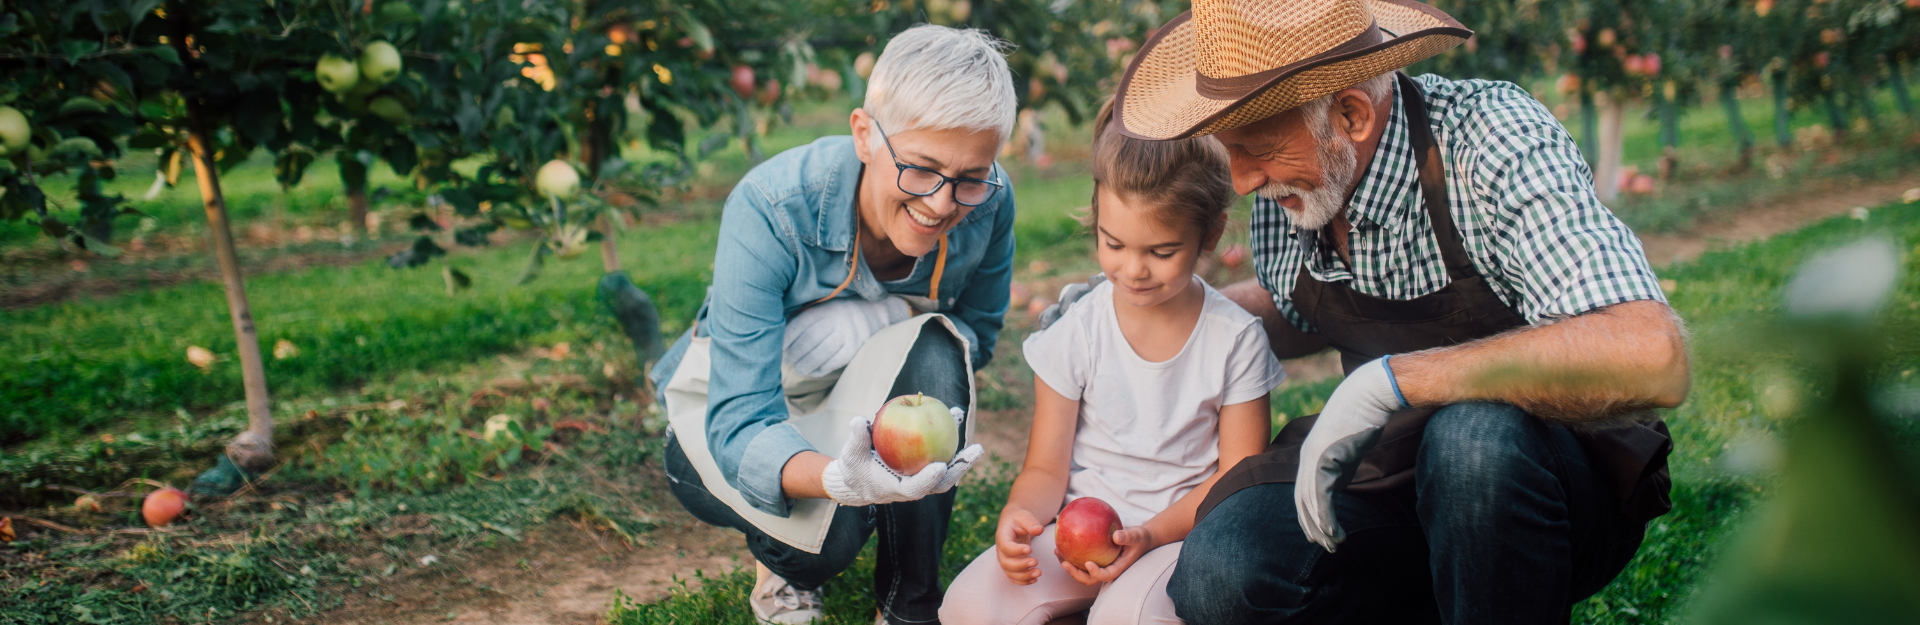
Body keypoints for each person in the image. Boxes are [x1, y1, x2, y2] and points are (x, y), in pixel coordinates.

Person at [1042, 0, 1694, 623]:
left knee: (1473, 442)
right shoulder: (1296, 186)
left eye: (1258, 148)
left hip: (1536, 487)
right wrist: (1144, 311)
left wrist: (1395, 381)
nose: (1241, 181)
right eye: (1229, 149)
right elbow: (1296, 313)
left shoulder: (1488, 143)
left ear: (1351, 114)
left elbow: (1651, 353)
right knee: (1223, 568)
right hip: (1395, 469)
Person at [640, 25, 1019, 625]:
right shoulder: (771, 206)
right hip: (730, 412)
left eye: (971, 176)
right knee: (823, 544)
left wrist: (891, 317)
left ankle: (910, 608)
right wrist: (842, 481)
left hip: (855, 399)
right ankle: (784, 569)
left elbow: (979, 336)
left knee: (937, 344)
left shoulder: (991, 200)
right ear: (864, 135)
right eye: (920, 168)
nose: (943, 203)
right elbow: (739, 421)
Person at [941, 100, 1285, 625]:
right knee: (969, 607)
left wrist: (1151, 534)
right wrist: (1021, 515)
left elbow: (1234, 480)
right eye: (1114, 244)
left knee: (1125, 618)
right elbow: (1045, 468)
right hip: (1078, 533)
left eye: (1161, 252)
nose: (1134, 270)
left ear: (1211, 235)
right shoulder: (1079, 330)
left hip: (1175, 537)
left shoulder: (1235, 340)